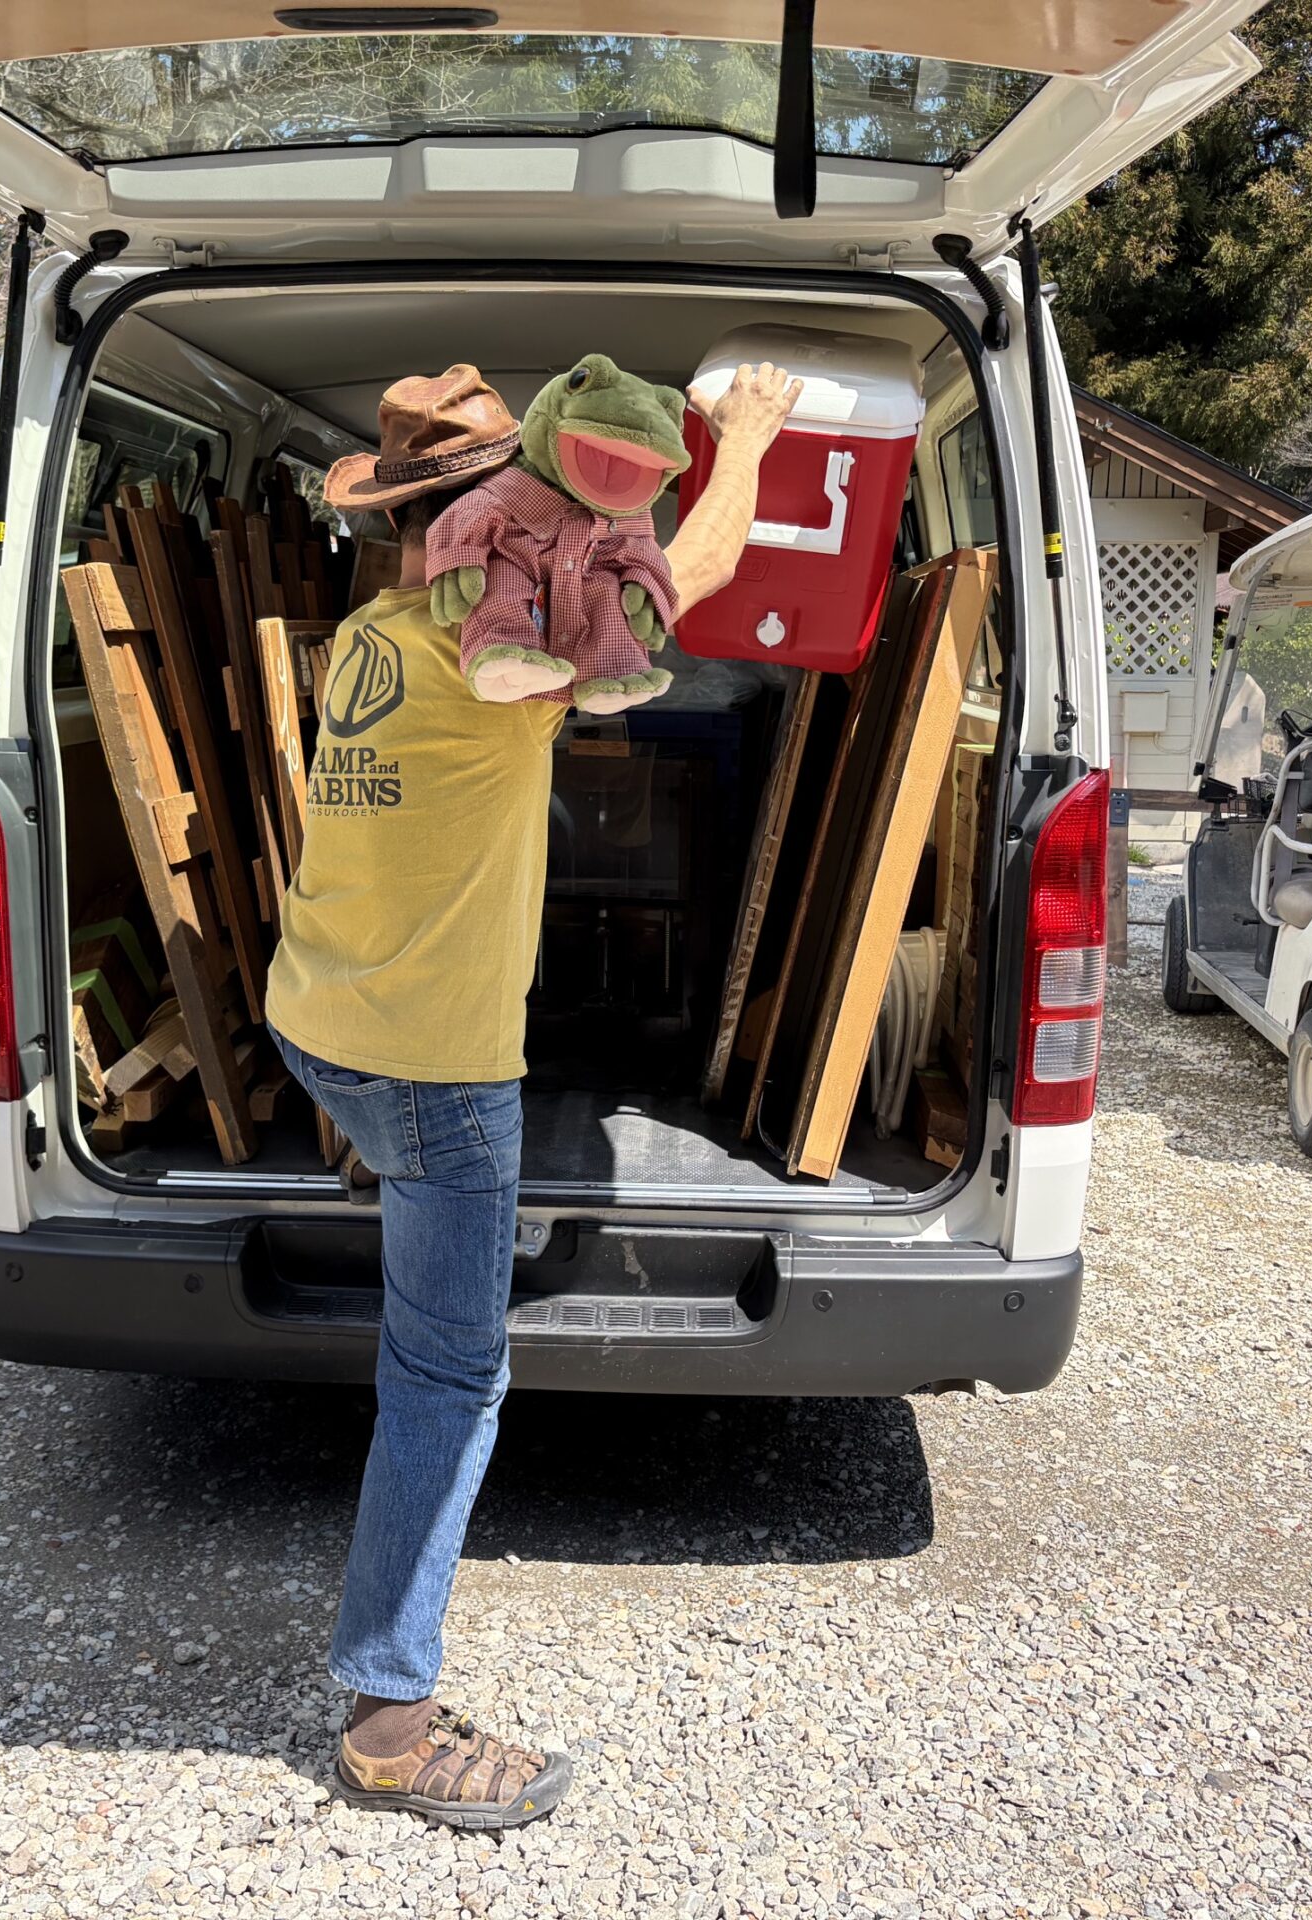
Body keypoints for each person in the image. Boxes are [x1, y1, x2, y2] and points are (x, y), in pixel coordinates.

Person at [264, 357, 802, 1828]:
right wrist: (737, 434)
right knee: (447, 1379)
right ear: (494, 515)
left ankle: (392, 1676)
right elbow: (696, 560)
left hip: (318, 1023)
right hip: (437, 1072)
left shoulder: (368, 637)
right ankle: (388, 1722)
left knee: (429, 1323)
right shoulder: (490, 661)